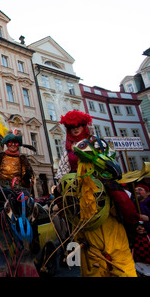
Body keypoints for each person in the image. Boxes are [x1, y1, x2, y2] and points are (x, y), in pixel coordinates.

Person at [55, 110, 144, 277]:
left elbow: (110, 160)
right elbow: (62, 172)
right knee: (60, 206)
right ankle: (69, 238)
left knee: (121, 198)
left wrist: (100, 165)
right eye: (71, 127)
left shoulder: (96, 142)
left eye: (78, 126)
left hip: (100, 180)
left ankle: (132, 223)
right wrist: (62, 184)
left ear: (84, 125)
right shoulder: (67, 151)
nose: (75, 130)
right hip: (77, 186)